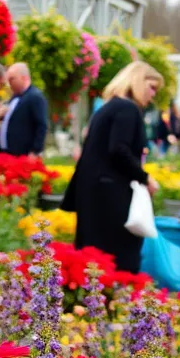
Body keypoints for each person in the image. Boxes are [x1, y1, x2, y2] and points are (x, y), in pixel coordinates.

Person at [60, 61, 163, 273]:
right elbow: (119, 150)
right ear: (136, 81)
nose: (152, 95)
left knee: (92, 260)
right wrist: (145, 178)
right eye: (151, 87)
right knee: (119, 260)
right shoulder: (127, 109)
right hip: (111, 195)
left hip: (93, 192)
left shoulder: (109, 107)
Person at [0, 62, 48, 157]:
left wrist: (35, 151)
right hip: (6, 153)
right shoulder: (14, 97)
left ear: (24, 78)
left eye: (12, 79)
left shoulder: (35, 96)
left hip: (22, 155)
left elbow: (41, 125)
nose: (9, 83)